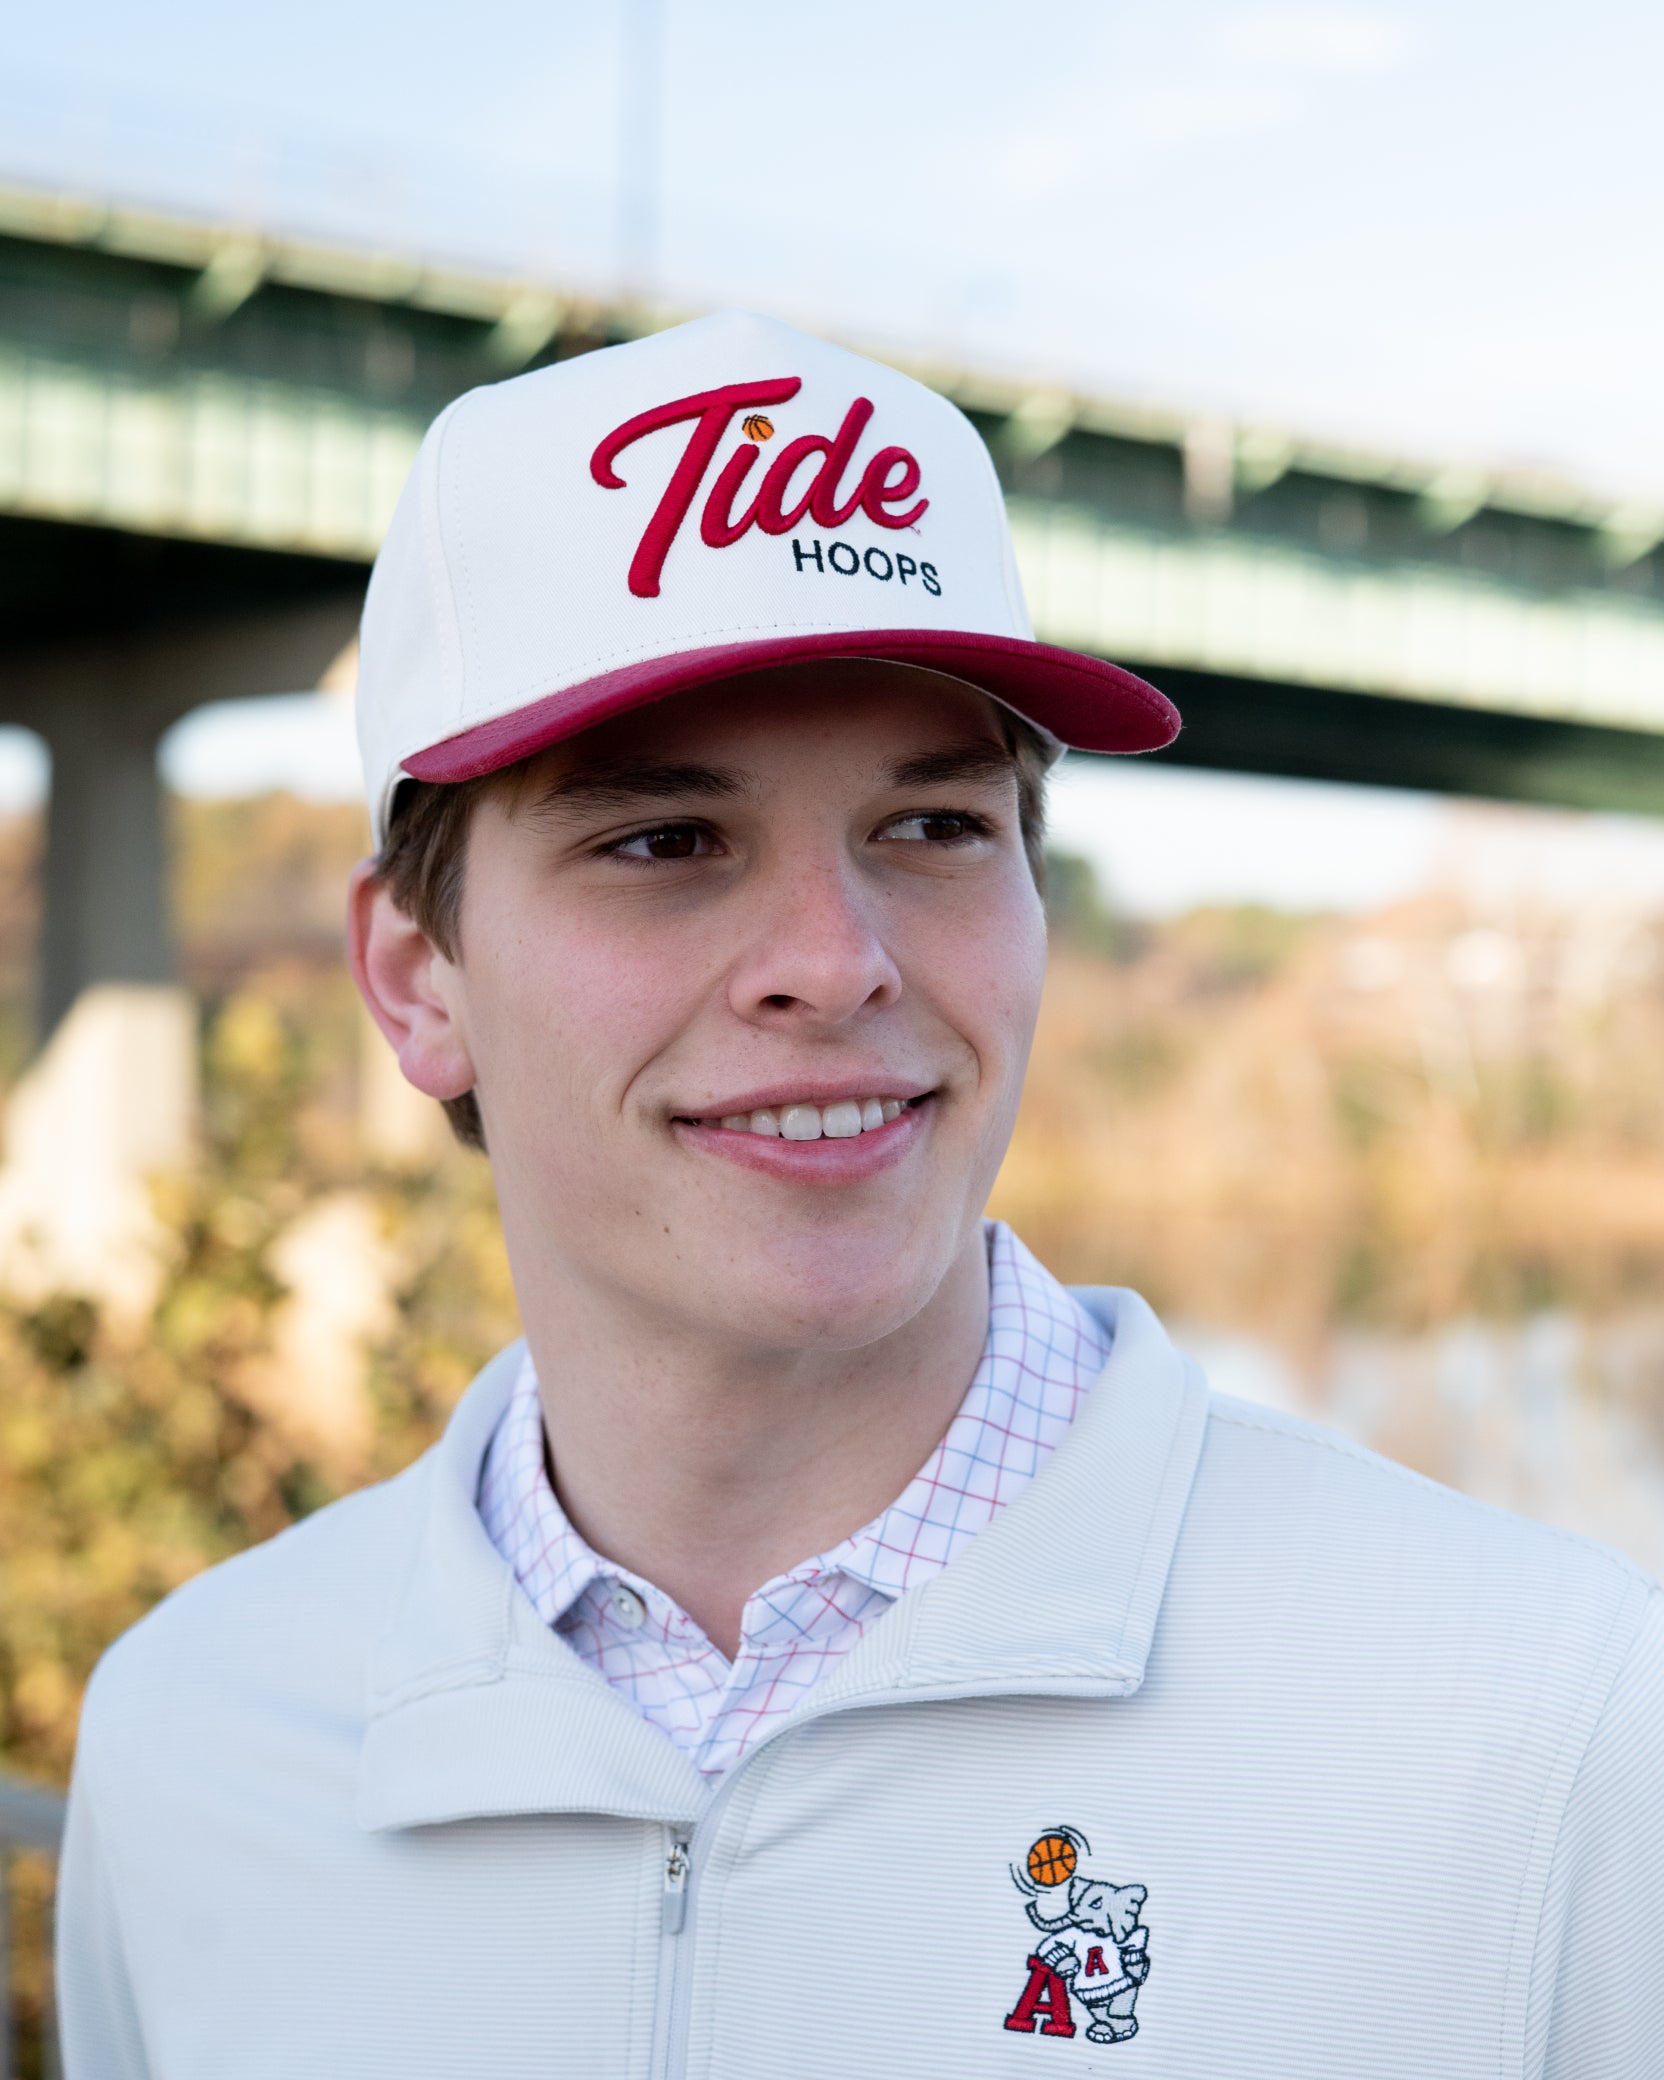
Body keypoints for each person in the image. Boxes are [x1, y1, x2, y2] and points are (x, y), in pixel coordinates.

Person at [58, 311, 1663, 2079]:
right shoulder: (193, 1744)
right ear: (415, 979)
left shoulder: (1546, 1717)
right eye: (663, 841)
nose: (835, 963)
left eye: (934, 828)